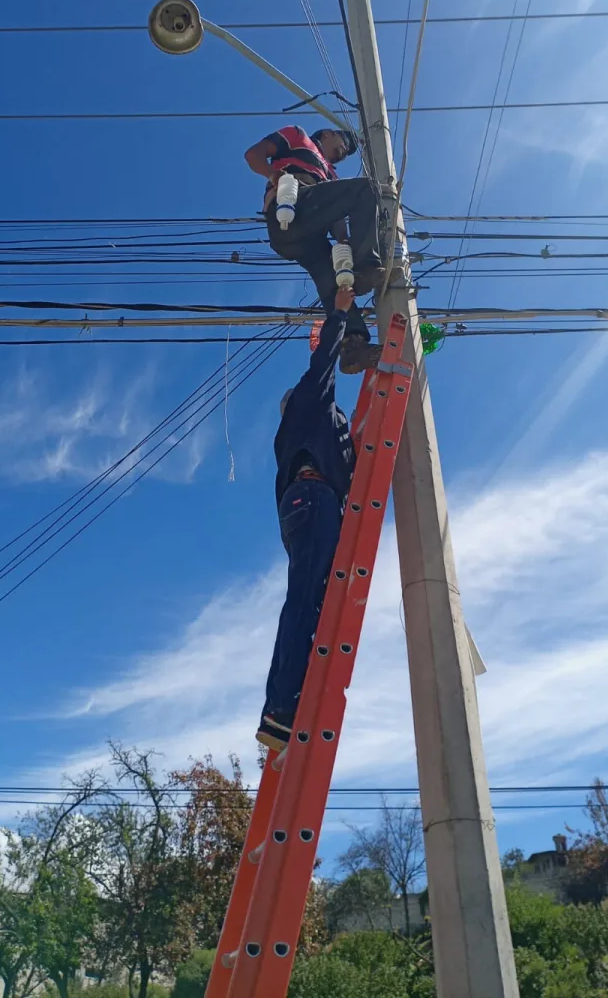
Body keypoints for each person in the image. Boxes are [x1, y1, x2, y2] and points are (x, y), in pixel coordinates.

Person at [257, 285, 358, 753]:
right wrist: (337, 317)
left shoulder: (294, 438)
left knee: (308, 605)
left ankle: (288, 700)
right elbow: (322, 371)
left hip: (303, 509)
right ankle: (280, 707)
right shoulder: (309, 405)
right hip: (315, 503)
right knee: (301, 605)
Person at [245, 124, 384, 374]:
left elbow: (336, 220)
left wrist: (345, 245)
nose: (345, 150)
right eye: (344, 143)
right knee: (366, 189)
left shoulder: (331, 175)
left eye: (348, 151)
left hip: (304, 235)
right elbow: (253, 154)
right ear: (327, 133)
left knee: (332, 281)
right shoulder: (298, 136)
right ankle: (365, 268)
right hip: (290, 206)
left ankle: (353, 345)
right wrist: (272, 175)